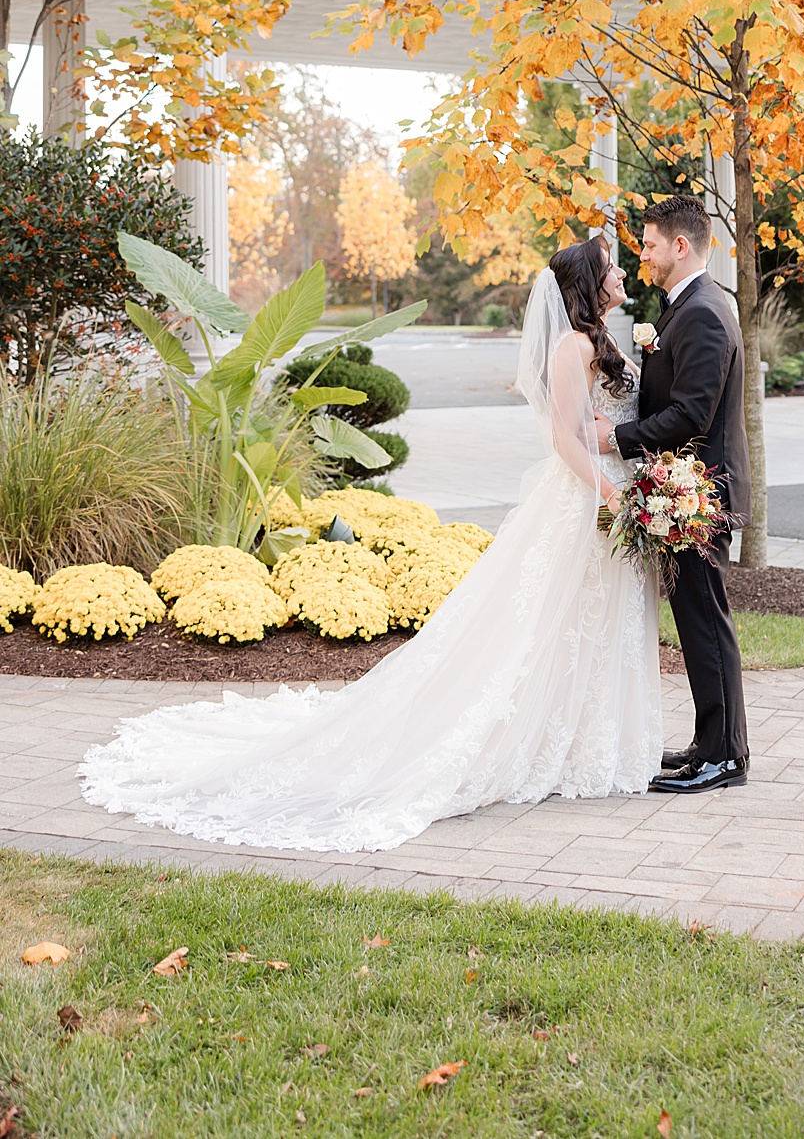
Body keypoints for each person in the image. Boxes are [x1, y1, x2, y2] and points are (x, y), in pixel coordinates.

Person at [80, 235, 663, 852]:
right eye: (611, 267)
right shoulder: (572, 347)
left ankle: (587, 737)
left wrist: (617, 443)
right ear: (587, 283)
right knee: (553, 623)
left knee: (589, 621)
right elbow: (564, 439)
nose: (623, 272)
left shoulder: (601, 339)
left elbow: (603, 423)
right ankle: (549, 741)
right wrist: (607, 490)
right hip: (583, 500)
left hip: (604, 493)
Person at [597, 193, 750, 794]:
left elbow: (692, 414)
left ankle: (725, 758)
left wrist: (620, 436)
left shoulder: (705, 313)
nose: (645, 253)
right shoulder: (684, 308)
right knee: (697, 620)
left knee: (705, 620)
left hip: (697, 492)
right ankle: (713, 743)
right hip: (682, 490)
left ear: (680, 246)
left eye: (651, 243)